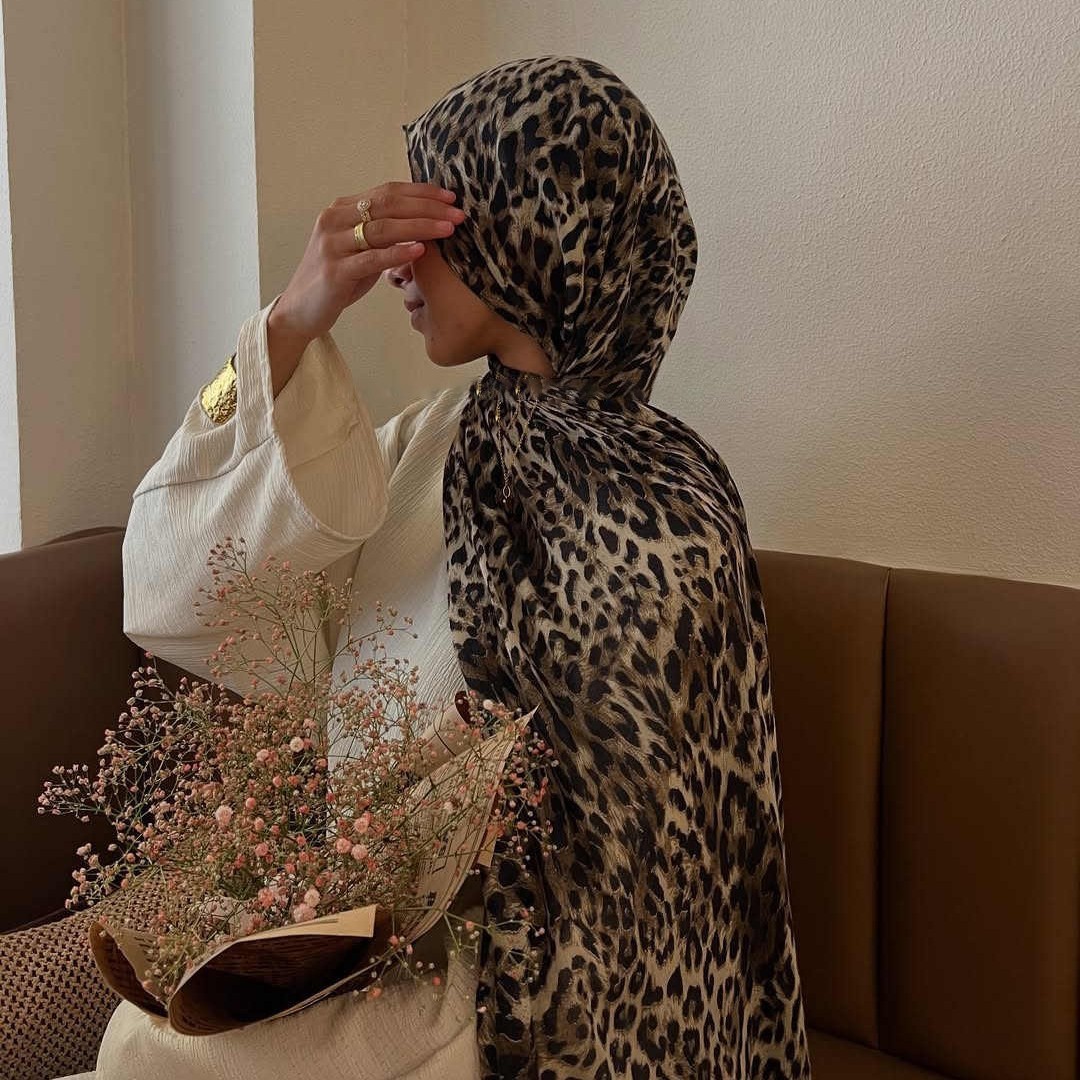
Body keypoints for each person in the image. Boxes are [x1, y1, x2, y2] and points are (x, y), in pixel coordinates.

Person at [14, 55, 811, 1079]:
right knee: (145, 1038)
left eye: (435, 220)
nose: (396, 261)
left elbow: (674, 876)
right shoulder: (427, 446)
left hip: (517, 1005)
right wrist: (287, 324)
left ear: (534, 234)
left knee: (152, 1055)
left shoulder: (673, 508)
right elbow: (175, 588)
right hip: (354, 950)